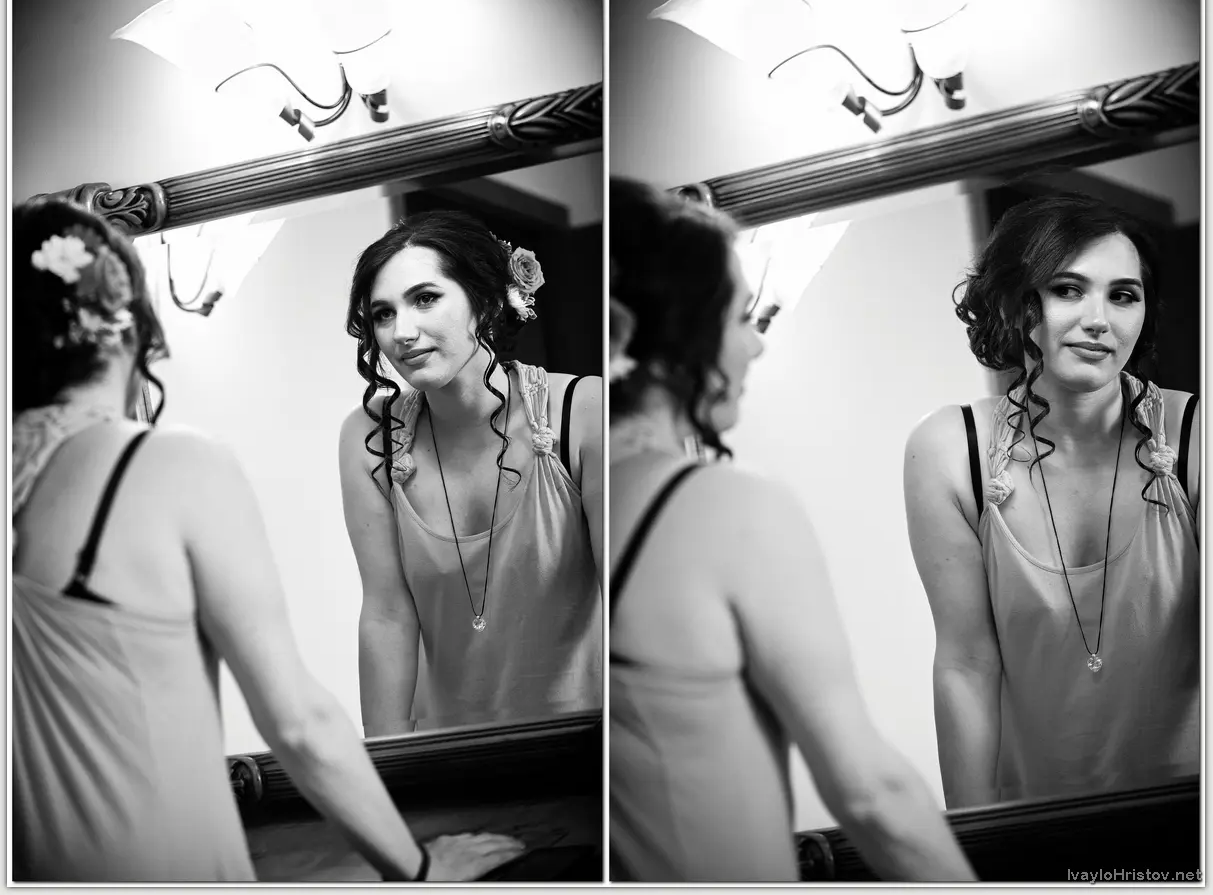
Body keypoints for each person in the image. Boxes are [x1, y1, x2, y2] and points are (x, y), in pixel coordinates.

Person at [10, 198, 524, 882]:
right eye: (382, 312)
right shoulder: (170, 465)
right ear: (127, 323)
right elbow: (297, 722)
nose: (402, 330)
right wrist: (418, 869)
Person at [607, 177, 974, 883]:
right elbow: (870, 794)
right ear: (671, 338)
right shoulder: (727, 510)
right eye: (737, 316)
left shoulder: (582, 496)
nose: (755, 345)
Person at [904, 193, 1200, 807]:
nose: (1100, 319)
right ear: (1016, 303)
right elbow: (966, 664)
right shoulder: (951, 449)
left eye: (1123, 295)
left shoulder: (1197, 433)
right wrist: (976, 843)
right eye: (1068, 289)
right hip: (1033, 823)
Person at [340, 210, 602, 736]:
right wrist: (389, 768)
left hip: (583, 747)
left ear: (484, 301)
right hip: (445, 754)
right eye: (383, 313)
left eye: (425, 298)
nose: (402, 332)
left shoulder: (584, 409)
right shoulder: (369, 436)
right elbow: (387, 614)